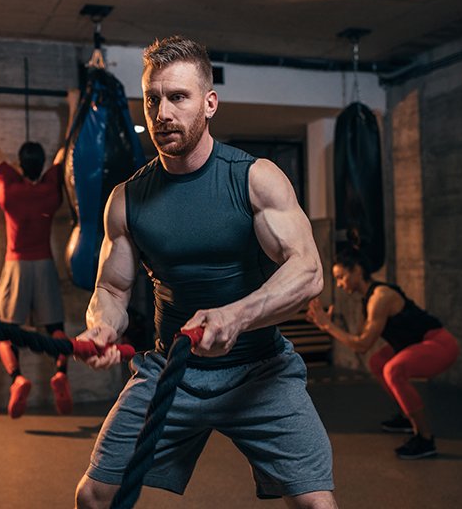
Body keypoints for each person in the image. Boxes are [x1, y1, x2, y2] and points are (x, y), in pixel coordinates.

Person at [73, 36, 337, 508]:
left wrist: (235, 315)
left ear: (209, 103)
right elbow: (112, 289)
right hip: (171, 369)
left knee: (317, 505)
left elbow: (309, 272)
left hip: (260, 370)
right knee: (93, 496)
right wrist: (102, 328)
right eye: (153, 98)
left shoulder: (254, 178)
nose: (162, 112)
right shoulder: (127, 199)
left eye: (178, 97)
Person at [0, 83, 71, 418]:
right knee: (55, 327)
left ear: (19, 162)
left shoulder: (9, 187)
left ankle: (17, 378)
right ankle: (60, 373)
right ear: (42, 163)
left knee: (6, 331)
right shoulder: (50, 186)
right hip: (44, 264)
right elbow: (67, 147)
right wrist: (72, 104)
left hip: (15, 265)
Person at [306, 247, 459, 459]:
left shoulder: (381, 297)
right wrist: (328, 325)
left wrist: (328, 327)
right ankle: (408, 416)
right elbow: (359, 340)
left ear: (357, 270)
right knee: (378, 362)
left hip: (440, 344)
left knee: (393, 370)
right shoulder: (367, 300)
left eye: (341, 277)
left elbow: (362, 345)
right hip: (414, 344)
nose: (340, 284)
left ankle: (425, 438)